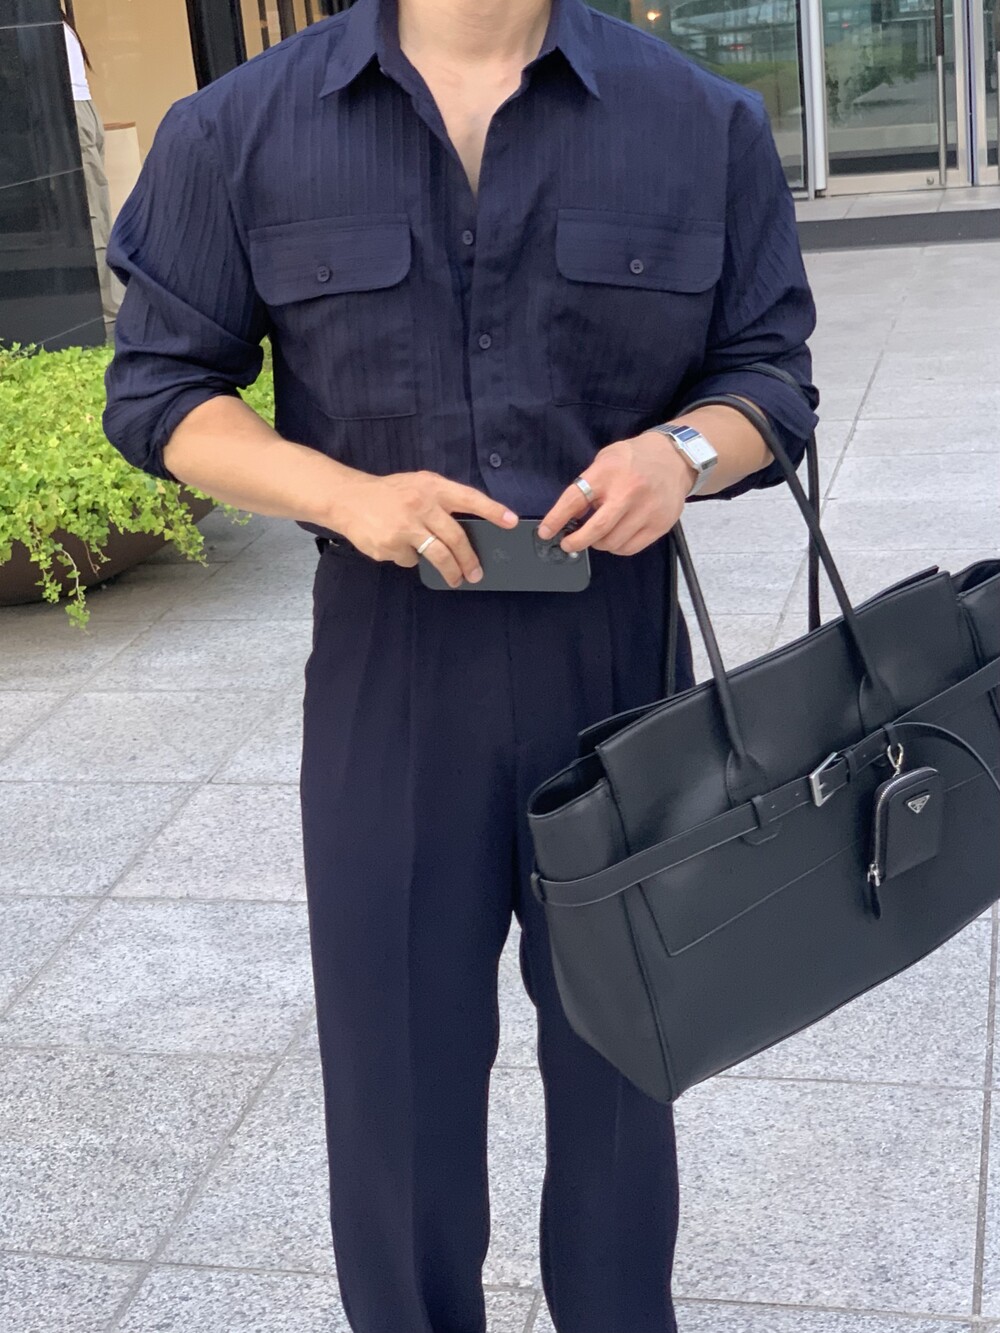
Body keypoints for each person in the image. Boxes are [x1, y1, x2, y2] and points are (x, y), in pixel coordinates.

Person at [102, 1, 818, 1329]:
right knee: (397, 1085)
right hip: (391, 674)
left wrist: (681, 455)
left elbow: (770, 380)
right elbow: (158, 393)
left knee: (623, 1072)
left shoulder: (699, 123)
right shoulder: (240, 129)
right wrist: (344, 494)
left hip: (618, 674)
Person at [61, 4, 122, 340]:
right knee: (95, 209)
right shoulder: (63, 26)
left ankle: (109, 310)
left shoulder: (52, 28)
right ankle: (110, 305)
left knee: (92, 214)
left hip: (72, 112)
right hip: (82, 110)